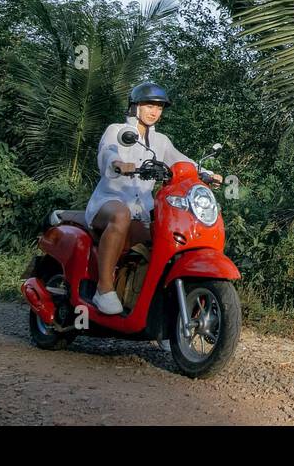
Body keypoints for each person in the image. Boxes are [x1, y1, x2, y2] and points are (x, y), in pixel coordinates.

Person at [85, 82, 221, 314]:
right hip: (109, 201)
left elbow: (181, 160)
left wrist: (205, 174)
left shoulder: (161, 142)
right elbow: (108, 151)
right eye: (149, 105)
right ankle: (103, 289)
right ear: (135, 106)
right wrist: (117, 164)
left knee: (169, 235)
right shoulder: (117, 131)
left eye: (159, 107)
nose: (154, 111)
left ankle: (157, 304)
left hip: (143, 209)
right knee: (121, 215)